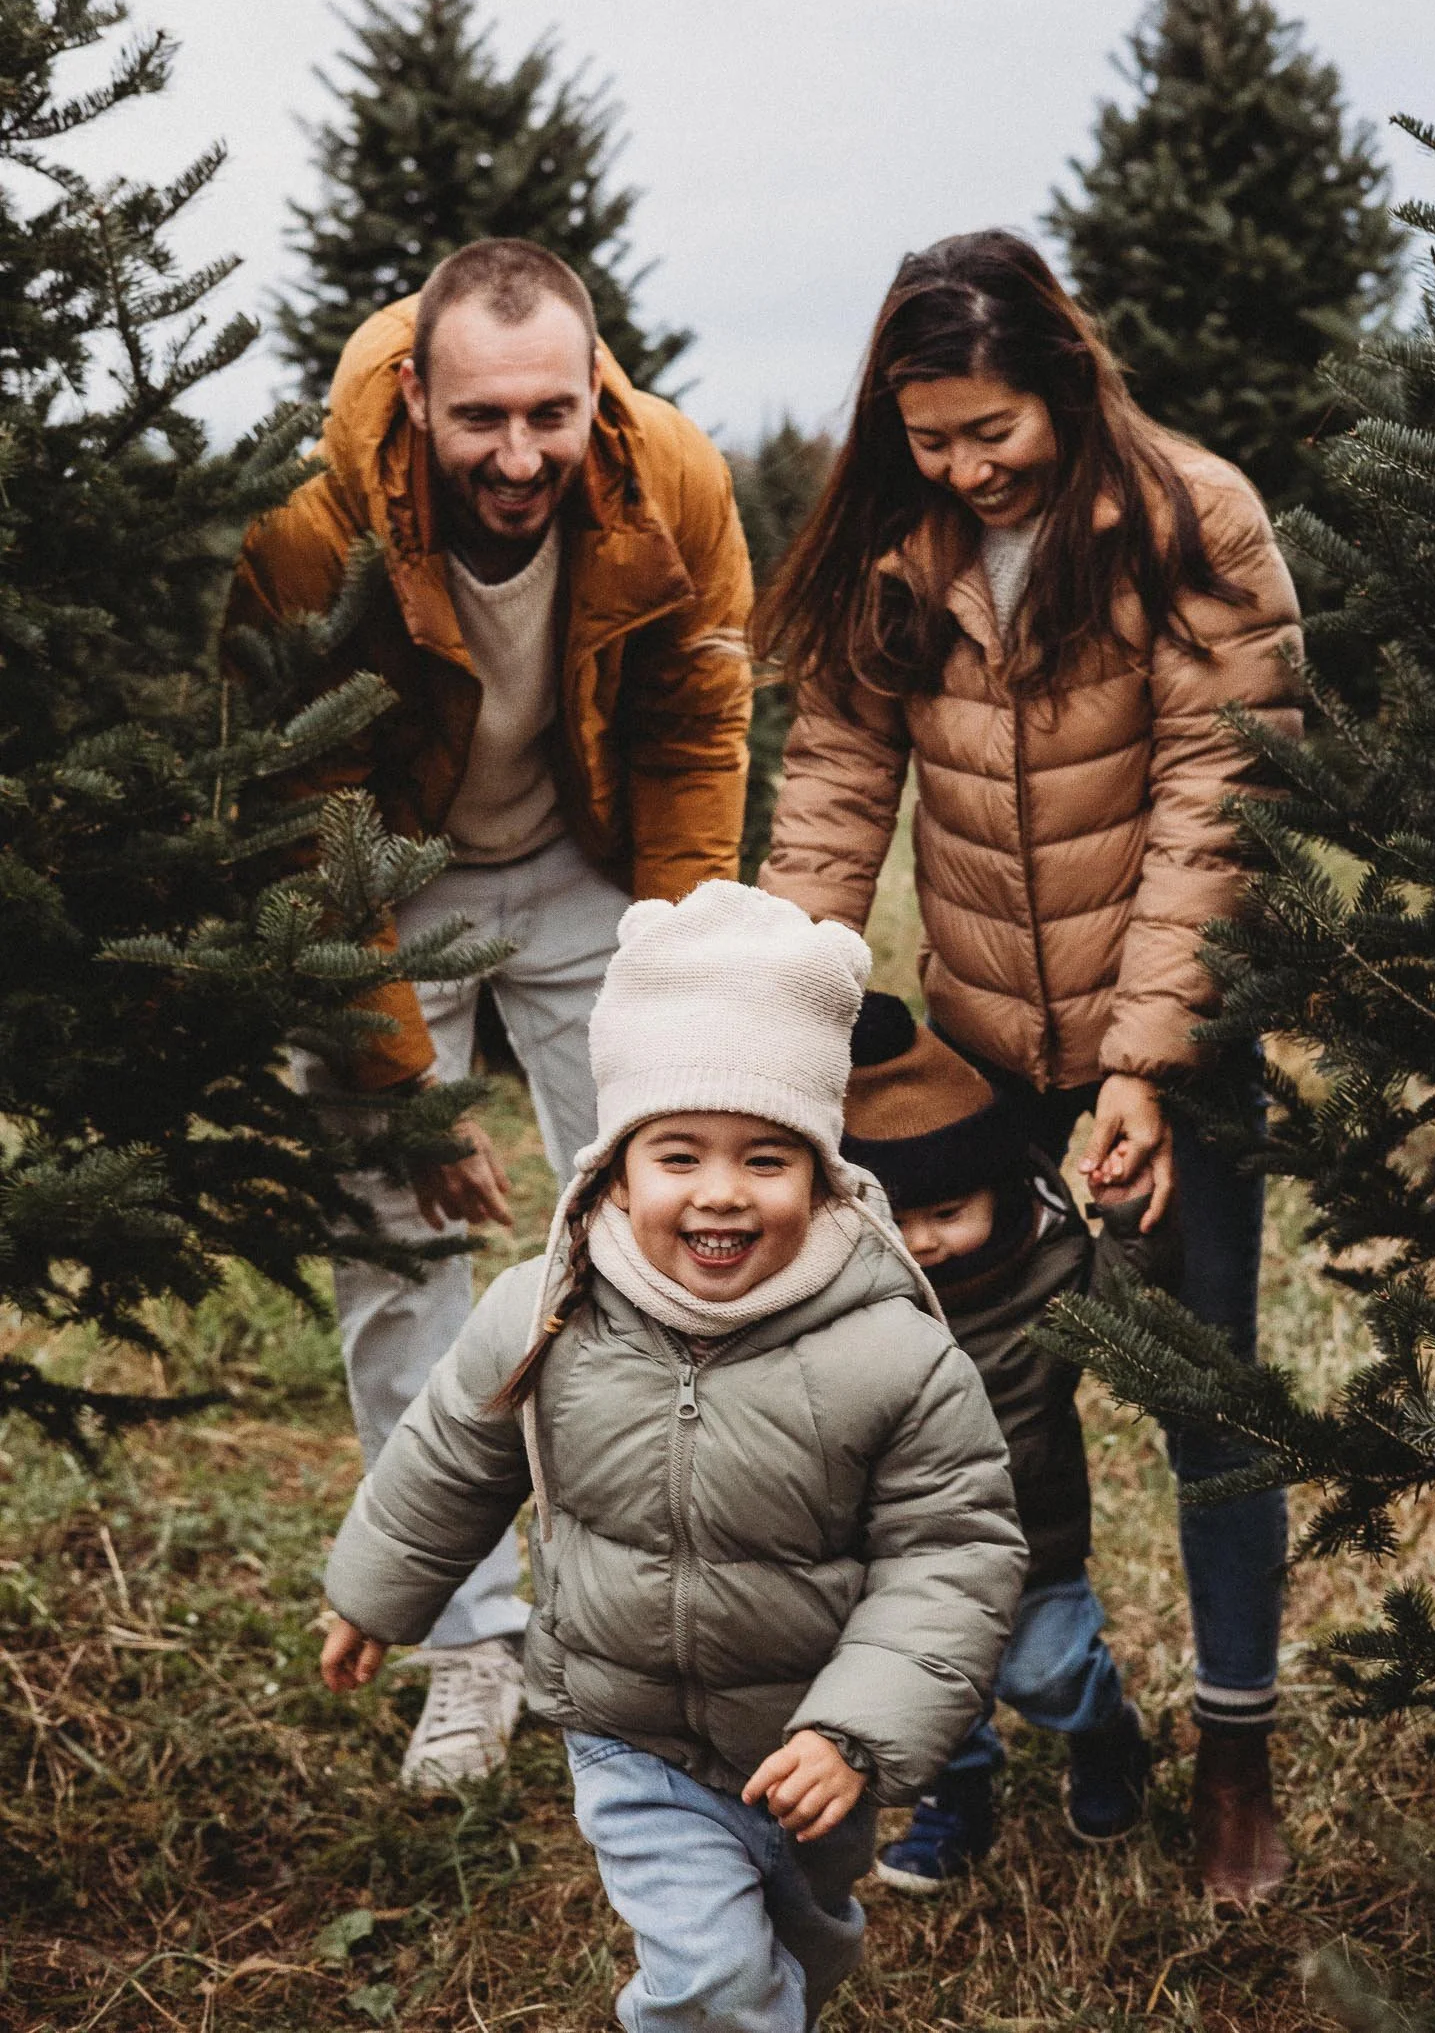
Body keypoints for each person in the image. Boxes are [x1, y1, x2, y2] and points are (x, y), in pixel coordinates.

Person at [756, 228, 1303, 1907]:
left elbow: (1224, 794)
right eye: (932, 437)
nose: (968, 465)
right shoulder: (891, 548)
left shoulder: (1188, 517)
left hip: (1179, 1045)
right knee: (963, 1414)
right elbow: (840, 789)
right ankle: (989, 1732)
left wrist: (1145, 1064)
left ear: (1062, 378)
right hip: (978, 1053)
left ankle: (1234, 1753)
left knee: (1207, 1397)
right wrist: (778, 1022)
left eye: (993, 429)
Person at [319, 881, 1026, 2033]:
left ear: (824, 1171)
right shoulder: (546, 1313)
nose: (719, 1193)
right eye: (679, 1155)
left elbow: (953, 1556)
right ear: (614, 1167)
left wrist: (852, 1728)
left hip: (808, 1740)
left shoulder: (892, 1348)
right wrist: (375, 1592)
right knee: (709, 1979)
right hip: (626, 1726)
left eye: (766, 1160)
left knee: (803, 1941)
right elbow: (451, 1456)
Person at [227, 239, 753, 1788]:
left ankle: (665, 1615)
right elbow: (311, 812)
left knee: (670, 1214)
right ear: (417, 395)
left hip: (592, 866)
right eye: (481, 422)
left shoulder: (674, 483)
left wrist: (677, 975)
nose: (519, 456)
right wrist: (407, 1091)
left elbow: (697, 732)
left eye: (551, 413)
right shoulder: (309, 531)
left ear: (594, 388)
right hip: (398, 879)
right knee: (398, 1249)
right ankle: (470, 1641)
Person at [841, 991, 1163, 1892]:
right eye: (895, 1221)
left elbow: (1127, 1316)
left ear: (999, 1187)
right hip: (892, 1552)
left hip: (1034, 1539)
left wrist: (1130, 1223)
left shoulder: (1051, 1266)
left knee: (1047, 1672)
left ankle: (1105, 1735)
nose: (923, 1243)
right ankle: (957, 1791)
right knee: (924, 1695)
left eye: (947, 1211)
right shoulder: (845, 1296)